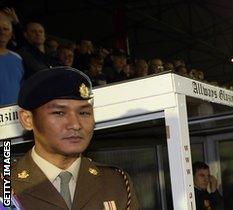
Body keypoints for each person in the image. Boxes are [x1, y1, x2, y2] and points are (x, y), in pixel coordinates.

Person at [11, 66, 139, 209]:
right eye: (59, 113)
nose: (75, 124)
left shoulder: (116, 182)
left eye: (84, 113)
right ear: (27, 119)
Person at [0, 14, 24, 106]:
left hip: (14, 116)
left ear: (11, 34)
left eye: (5, 29)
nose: (2, 32)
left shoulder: (18, 58)